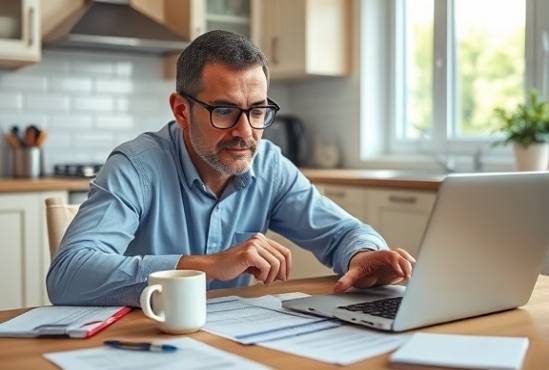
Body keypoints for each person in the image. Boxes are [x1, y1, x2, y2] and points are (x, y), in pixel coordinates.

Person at [47, 30, 415, 307]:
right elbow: (68, 276)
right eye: (224, 111)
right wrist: (206, 266)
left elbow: (341, 233)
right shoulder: (136, 167)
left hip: (235, 344)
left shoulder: (269, 165)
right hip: (141, 341)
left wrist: (363, 256)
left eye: (257, 111)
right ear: (180, 110)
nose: (245, 132)